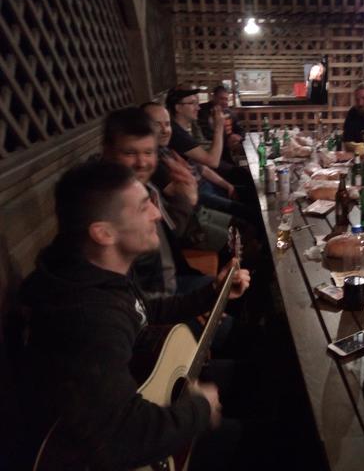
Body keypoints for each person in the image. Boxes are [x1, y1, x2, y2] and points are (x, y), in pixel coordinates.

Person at [17, 160, 250, 469]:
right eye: (143, 207)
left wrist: (211, 294)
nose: (157, 213)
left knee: (248, 371)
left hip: (130, 405)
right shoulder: (87, 317)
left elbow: (142, 311)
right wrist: (200, 408)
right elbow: (121, 438)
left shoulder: (97, 272)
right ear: (104, 233)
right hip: (119, 449)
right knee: (255, 439)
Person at [102, 107, 230, 297]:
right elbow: (176, 230)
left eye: (148, 152)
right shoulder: (109, 200)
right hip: (158, 296)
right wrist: (187, 200)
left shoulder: (146, 186)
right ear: (108, 151)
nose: (142, 162)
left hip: (170, 280)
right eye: (129, 153)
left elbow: (169, 231)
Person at [166, 88, 255, 223]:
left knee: (251, 192)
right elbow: (213, 161)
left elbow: (201, 167)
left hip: (206, 182)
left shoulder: (182, 130)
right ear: (178, 108)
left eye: (197, 103)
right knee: (250, 211)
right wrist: (219, 126)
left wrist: (227, 185)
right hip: (198, 193)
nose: (198, 107)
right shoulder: (176, 134)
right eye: (192, 103)